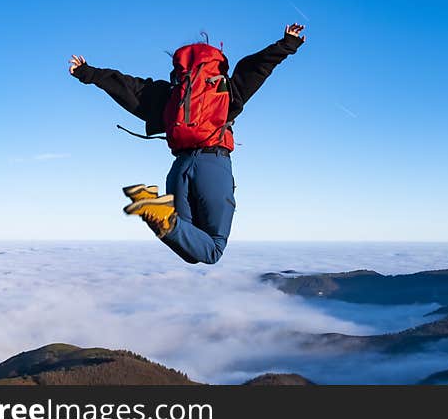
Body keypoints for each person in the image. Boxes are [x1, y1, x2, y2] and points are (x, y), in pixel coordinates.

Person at [69, 24, 306, 264]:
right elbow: (257, 67)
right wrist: (287, 43)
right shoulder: (226, 90)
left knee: (191, 247)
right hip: (212, 165)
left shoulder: (169, 94)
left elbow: (127, 87)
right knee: (212, 249)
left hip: (179, 168)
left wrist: (88, 73)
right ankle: (157, 211)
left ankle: (154, 208)